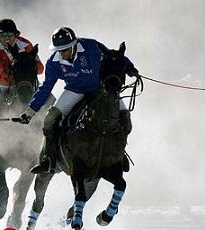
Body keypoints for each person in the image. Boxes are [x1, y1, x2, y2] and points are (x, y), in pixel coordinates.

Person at [19, 27, 139, 174]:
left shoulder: (91, 47)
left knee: (125, 117)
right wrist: (31, 111)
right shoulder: (54, 62)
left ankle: (120, 155)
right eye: (59, 50)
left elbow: (113, 56)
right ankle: (48, 159)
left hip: (100, 89)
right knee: (50, 120)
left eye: (65, 49)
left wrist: (130, 67)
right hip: (74, 91)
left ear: (74, 45)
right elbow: (46, 87)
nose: (62, 54)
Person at [0, 19, 44, 120]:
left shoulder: (25, 45)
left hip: (23, 81)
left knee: (46, 98)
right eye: (3, 35)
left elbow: (40, 69)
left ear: (15, 35)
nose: (7, 38)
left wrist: (30, 64)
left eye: (10, 34)